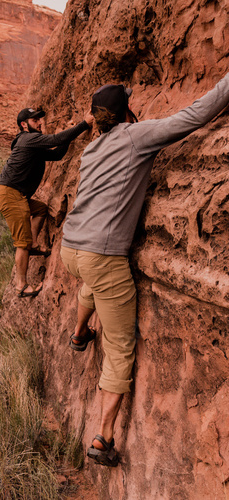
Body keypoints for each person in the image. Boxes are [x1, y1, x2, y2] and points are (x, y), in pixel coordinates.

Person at [60, 73, 229, 466]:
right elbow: (196, 114)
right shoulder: (136, 137)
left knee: (92, 283)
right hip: (102, 256)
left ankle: (79, 333)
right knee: (119, 347)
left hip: (72, 249)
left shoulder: (91, 149)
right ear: (125, 113)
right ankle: (103, 439)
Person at [0, 107, 93, 298]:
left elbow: (57, 154)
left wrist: (70, 135)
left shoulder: (33, 145)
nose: (40, 122)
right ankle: (21, 286)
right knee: (22, 244)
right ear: (24, 125)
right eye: (35, 120)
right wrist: (84, 124)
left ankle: (35, 244)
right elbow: (56, 140)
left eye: (40, 119)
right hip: (9, 195)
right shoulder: (27, 139)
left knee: (40, 209)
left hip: (13, 195)